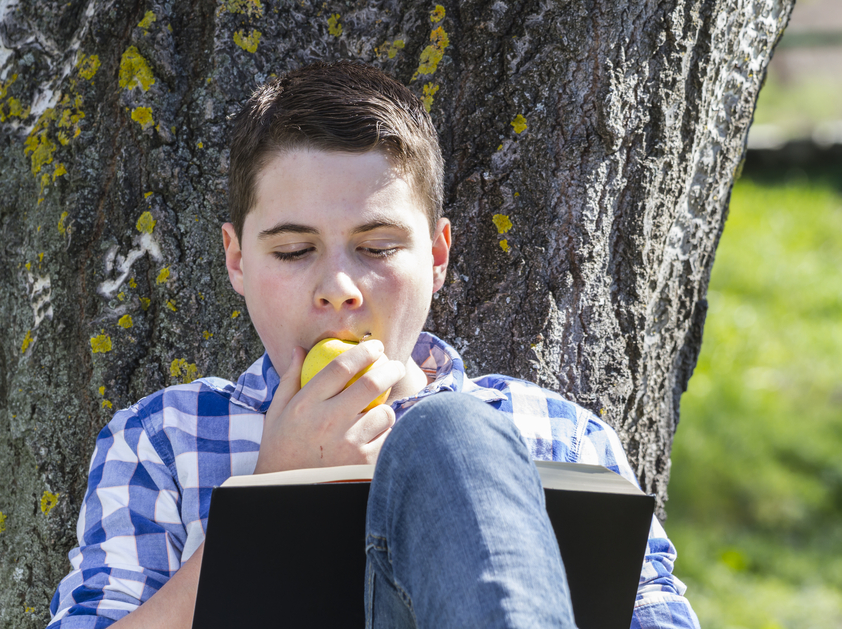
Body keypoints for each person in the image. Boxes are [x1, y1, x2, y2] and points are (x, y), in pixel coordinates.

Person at [47, 61, 700, 629]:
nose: (338, 287)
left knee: (450, 435)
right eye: (294, 250)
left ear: (437, 255)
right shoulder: (164, 438)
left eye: (378, 247)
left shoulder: (560, 437)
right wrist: (270, 499)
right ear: (237, 260)